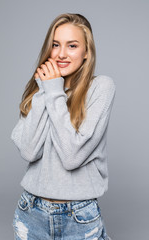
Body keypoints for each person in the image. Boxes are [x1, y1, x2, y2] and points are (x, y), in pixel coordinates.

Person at [11, 12, 116, 240]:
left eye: (72, 45)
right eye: (55, 44)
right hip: (31, 212)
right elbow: (29, 151)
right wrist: (44, 90)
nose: (61, 54)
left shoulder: (101, 88)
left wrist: (54, 91)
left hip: (78, 217)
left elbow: (71, 157)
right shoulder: (39, 91)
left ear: (86, 52)